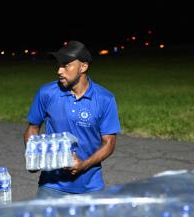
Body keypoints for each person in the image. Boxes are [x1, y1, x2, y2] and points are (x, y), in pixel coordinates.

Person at [24, 40, 121, 198]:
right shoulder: (46, 93)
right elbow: (32, 128)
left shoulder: (105, 99)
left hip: (91, 187)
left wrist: (83, 165)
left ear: (83, 67)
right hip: (51, 185)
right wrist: (33, 155)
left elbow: (109, 143)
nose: (59, 71)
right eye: (58, 65)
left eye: (66, 65)